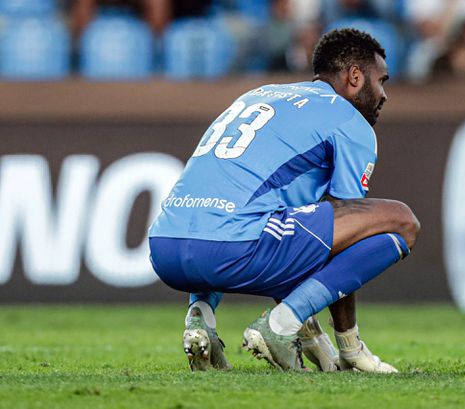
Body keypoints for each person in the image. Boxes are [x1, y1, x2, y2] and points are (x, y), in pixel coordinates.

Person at [149, 28, 419, 373]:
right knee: (401, 220)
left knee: (245, 213)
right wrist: (346, 344)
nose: (384, 95)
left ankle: (201, 320)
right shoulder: (350, 120)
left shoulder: (259, 94)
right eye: (382, 80)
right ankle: (280, 327)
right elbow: (344, 236)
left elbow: (294, 234)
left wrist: (315, 340)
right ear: (355, 76)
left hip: (164, 248)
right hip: (231, 249)